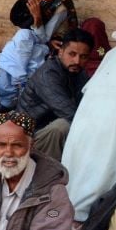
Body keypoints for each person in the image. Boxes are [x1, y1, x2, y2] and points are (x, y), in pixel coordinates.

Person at [18, 28, 93, 161]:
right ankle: (51, 173)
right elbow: (68, 111)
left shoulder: (78, 73)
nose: (77, 61)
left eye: (83, 56)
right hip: (28, 137)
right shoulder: (48, 75)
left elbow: (89, 101)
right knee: (63, 126)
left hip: (48, 128)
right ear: (60, 52)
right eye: (72, 54)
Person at [0, 0, 55, 109]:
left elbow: (41, 39)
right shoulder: (26, 34)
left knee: (9, 92)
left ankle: (8, 107)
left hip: (17, 72)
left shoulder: (28, 34)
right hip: (14, 72)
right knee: (7, 93)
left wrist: (37, 18)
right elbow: (21, 61)